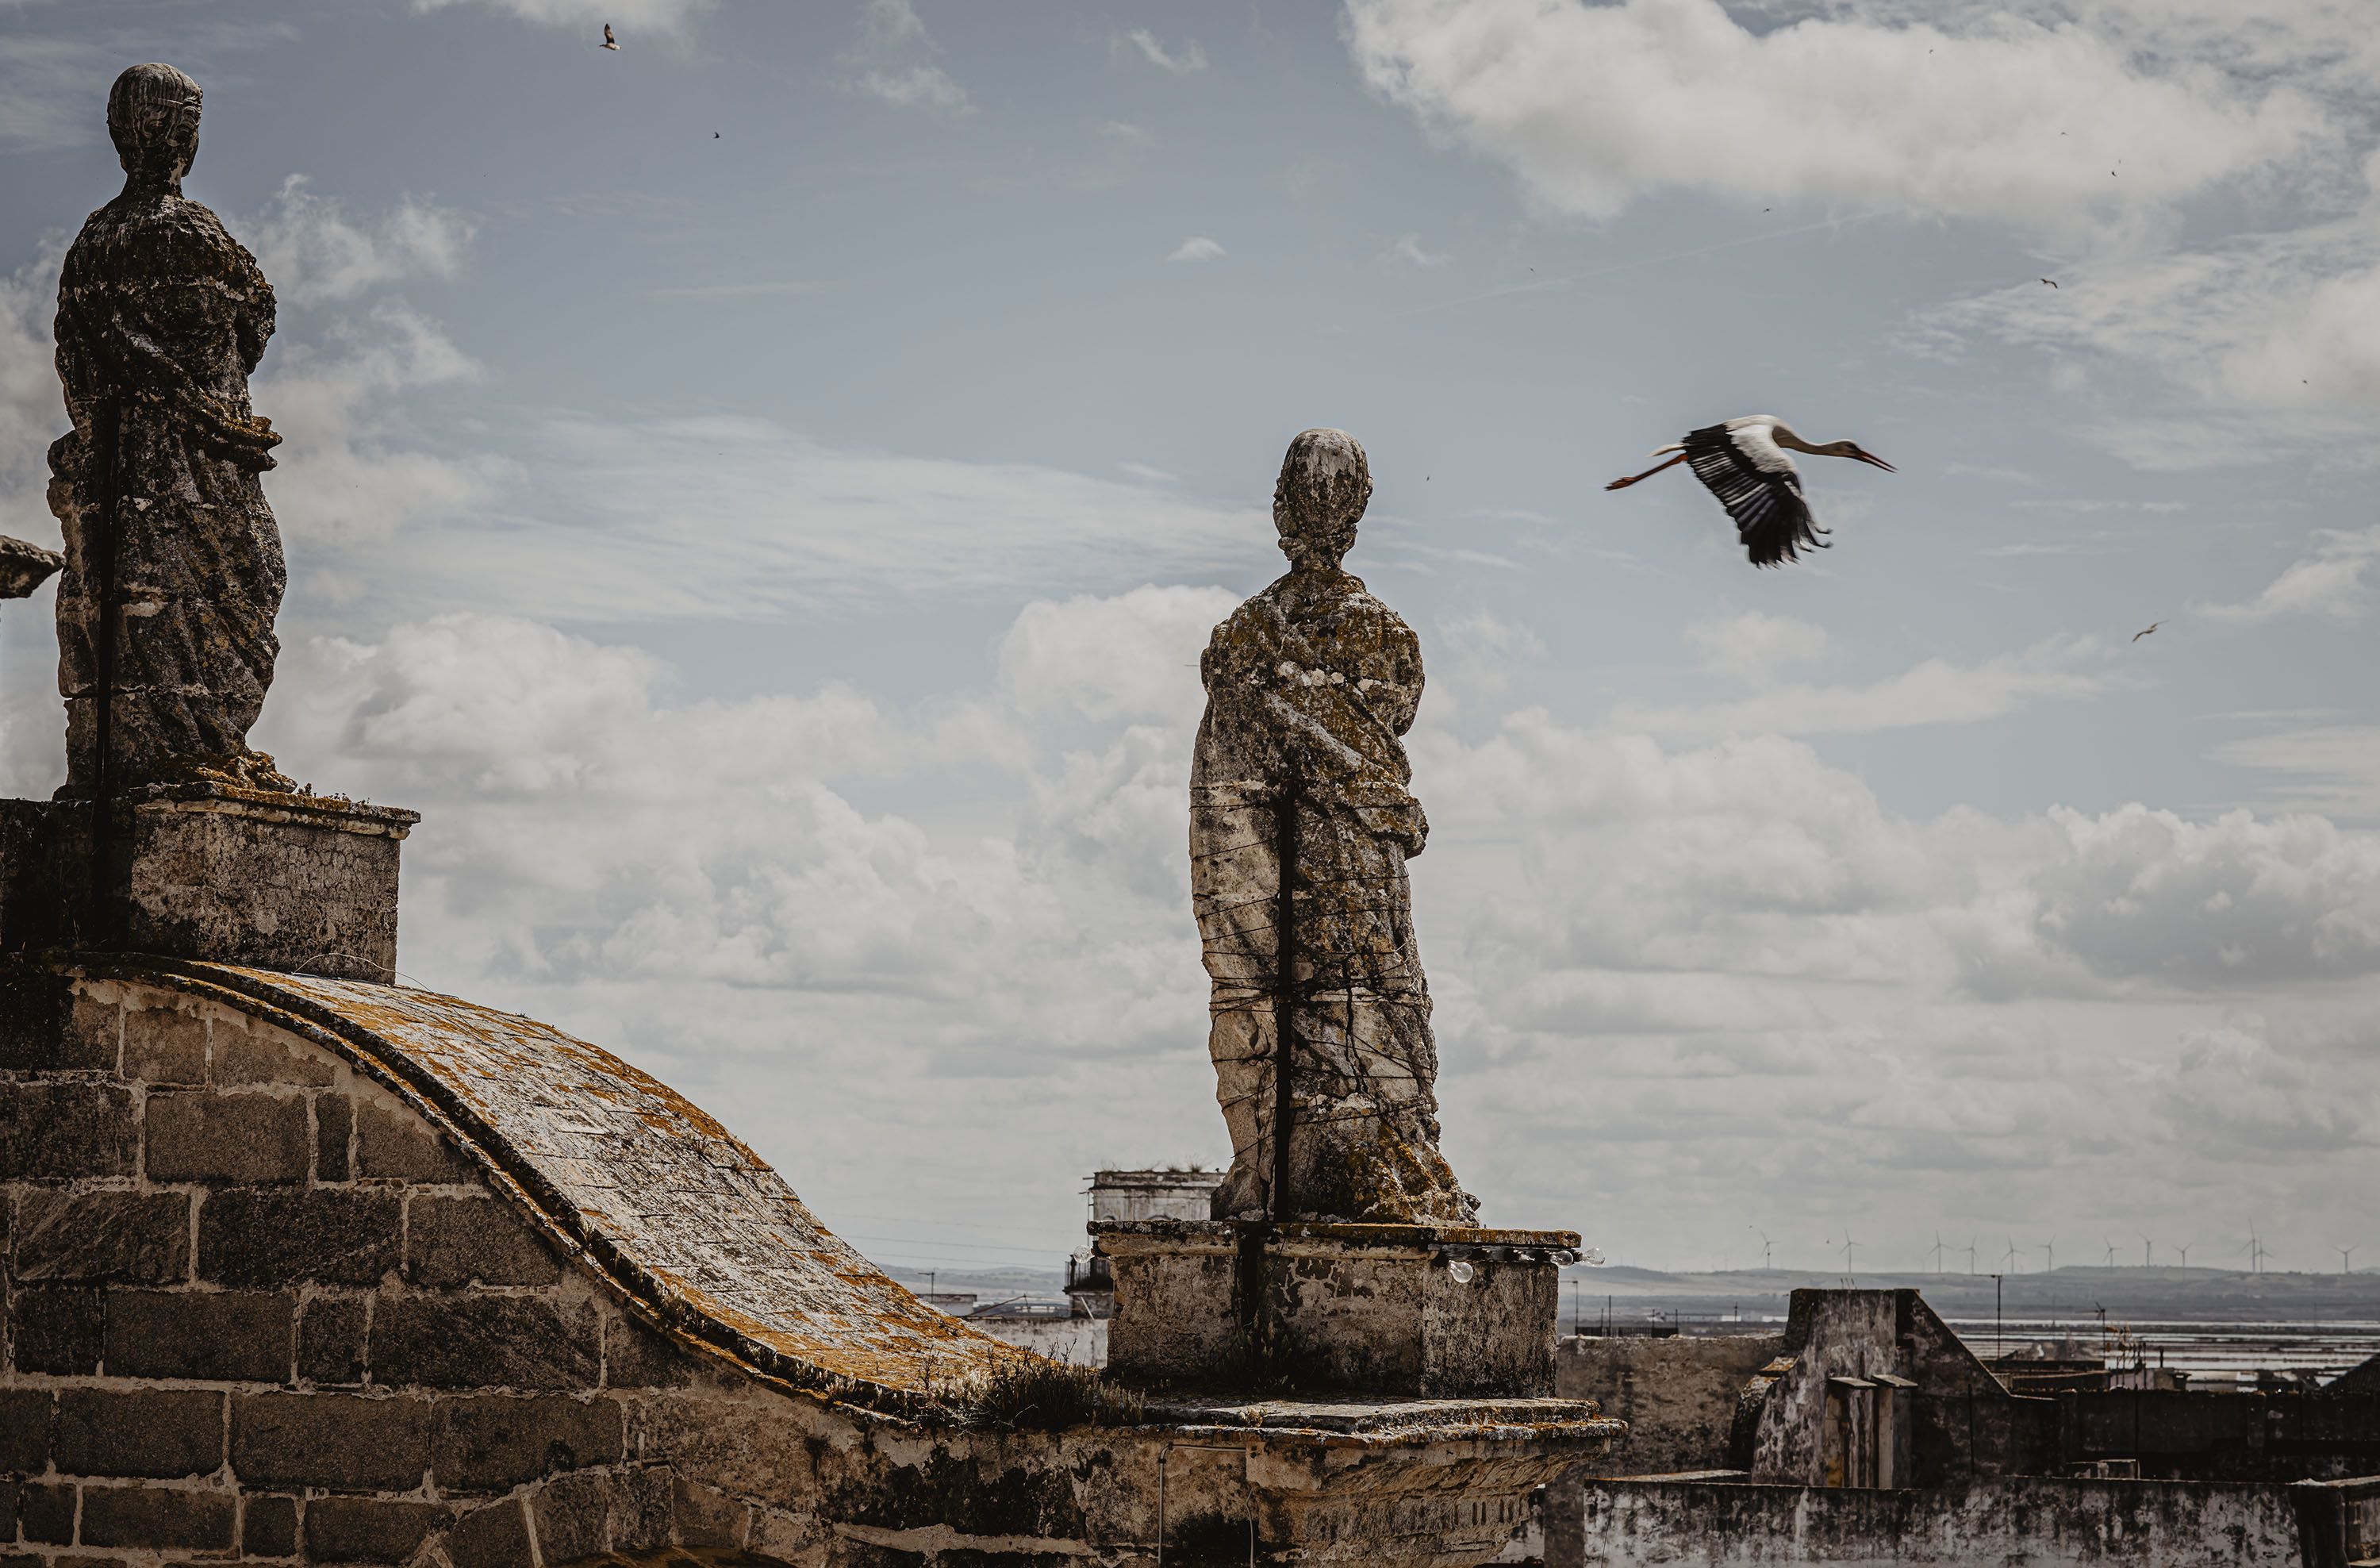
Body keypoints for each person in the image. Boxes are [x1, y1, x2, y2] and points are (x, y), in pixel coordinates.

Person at [1189, 429, 1477, 1225]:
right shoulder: (1385, 635)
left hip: (1278, 869)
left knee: (1315, 1004)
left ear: (1278, 504)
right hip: (1356, 869)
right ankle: (1377, 1153)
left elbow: (1230, 774)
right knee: (1377, 1000)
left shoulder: (1244, 635)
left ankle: (1288, 1157)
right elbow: (1392, 719)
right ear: (1361, 510)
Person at [49, 63, 292, 795]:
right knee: (245, 584)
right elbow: (245, 328)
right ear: (182, 133)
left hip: (113, 465)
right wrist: (210, 415)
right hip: (195, 467)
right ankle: (197, 747)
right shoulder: (189, 232)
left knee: (134, 603)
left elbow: (77, 359)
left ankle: (151, 754)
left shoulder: (93, 241)